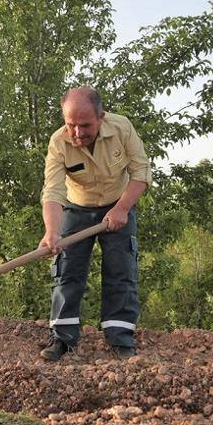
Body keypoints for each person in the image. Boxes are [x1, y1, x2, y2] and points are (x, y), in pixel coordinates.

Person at [38, 86, 152, 361]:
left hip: (118, 205)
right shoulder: (58, 142)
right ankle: (62, 339)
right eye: (71, 125)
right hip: (76, 209)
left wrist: (122, 209)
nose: (77, 133)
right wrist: (51, 232)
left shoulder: (122, 128)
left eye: (85, 125)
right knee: (66, 271)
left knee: (120, 270)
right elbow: (53, 192)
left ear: (101, 117)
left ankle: (120, 339)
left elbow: (141, 171)